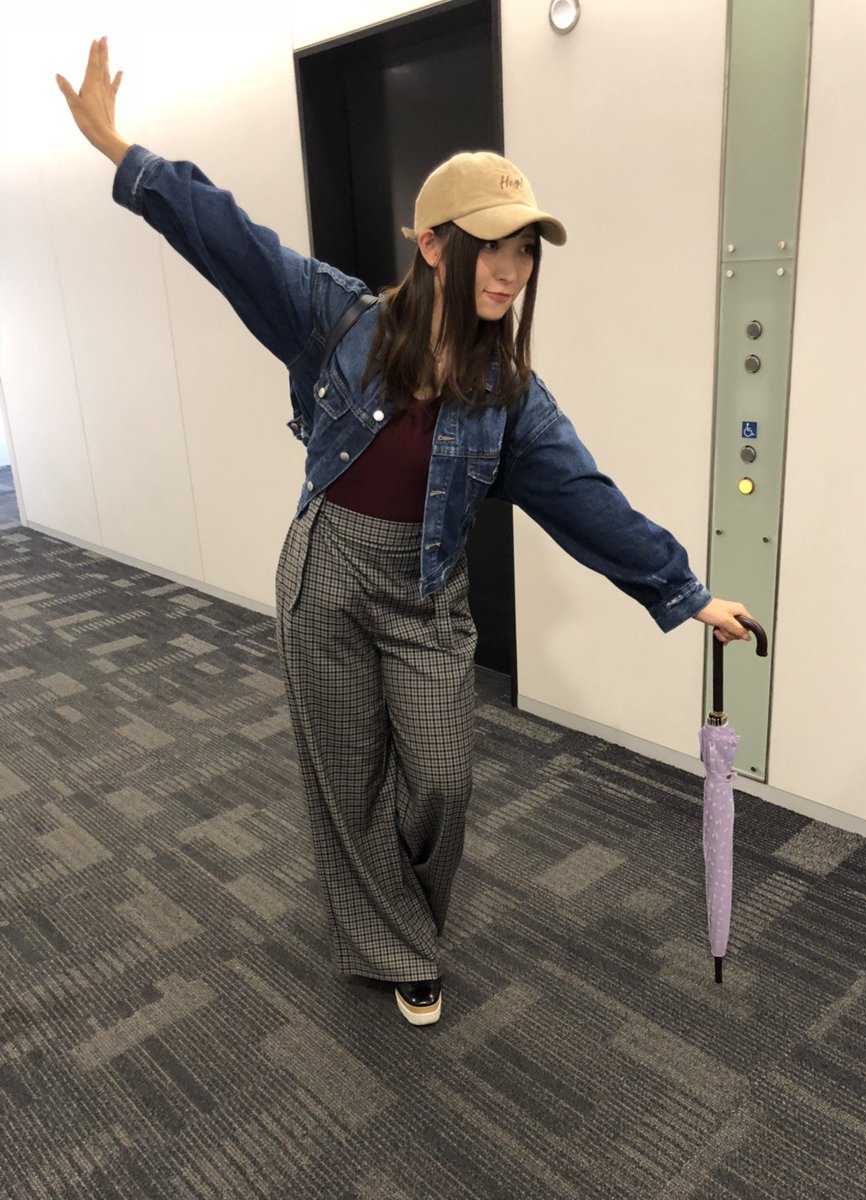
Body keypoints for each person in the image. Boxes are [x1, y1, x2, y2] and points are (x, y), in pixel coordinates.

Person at [57, 38, 754, 1028]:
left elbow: (586, 499)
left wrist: (685, 592)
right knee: (348, 781)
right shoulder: (338, 321)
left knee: (442, 783)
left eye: (526, 249)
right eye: (493, 245)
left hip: (427, 598)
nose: (511, 269)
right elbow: (229, 238)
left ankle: (401, 915)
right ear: (432, 244)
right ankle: (403, 949)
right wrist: (120, 151)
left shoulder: (510, 395)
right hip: (327, 577)